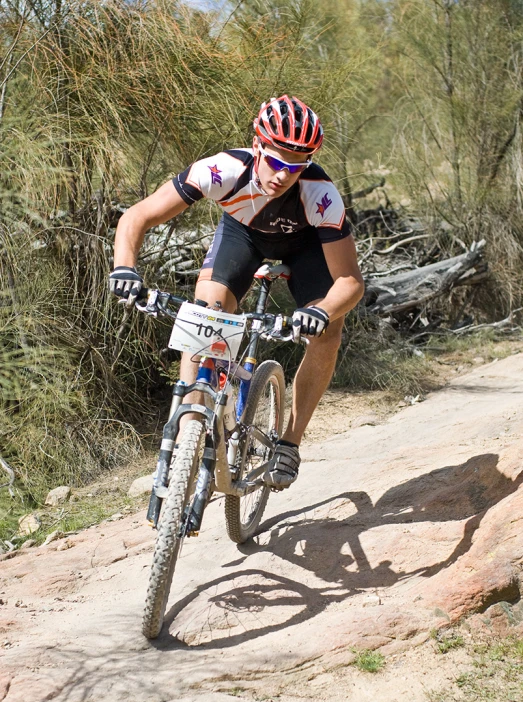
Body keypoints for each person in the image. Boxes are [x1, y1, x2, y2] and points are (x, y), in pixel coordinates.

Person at [110, 95, 364, 489]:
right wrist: (124, 268)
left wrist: (322, 311)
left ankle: (289, 443)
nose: (282, 175)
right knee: (207, 311)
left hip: (306, 247)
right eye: (276, 161)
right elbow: (137, 216)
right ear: (258, 145)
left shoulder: (320, 194)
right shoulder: (222, 170)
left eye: (295, 168)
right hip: (242, 237)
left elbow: (350, 282)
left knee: (329, 327)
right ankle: (191, 428)